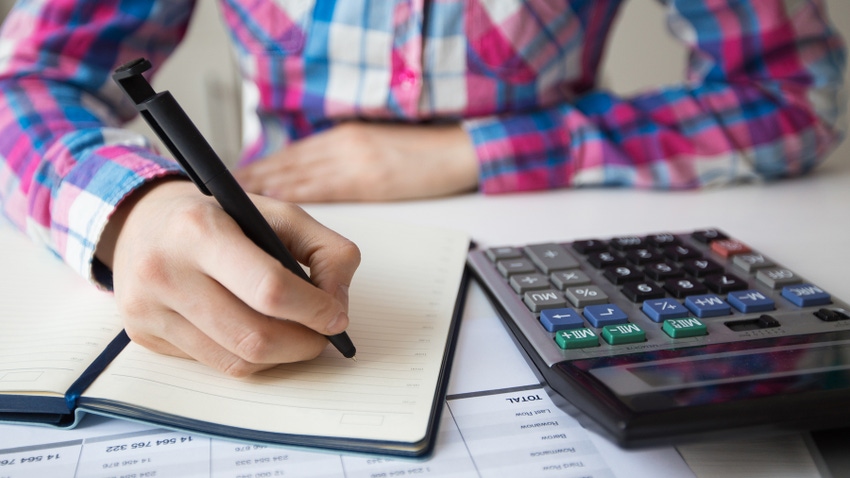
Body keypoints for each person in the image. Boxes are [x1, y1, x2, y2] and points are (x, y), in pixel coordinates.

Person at [0, 1, 845, 374]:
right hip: (275, 217)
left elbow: (793, 98)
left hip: (550, 222)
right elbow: (21, 83)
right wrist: (139, 205)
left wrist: (475, 151)